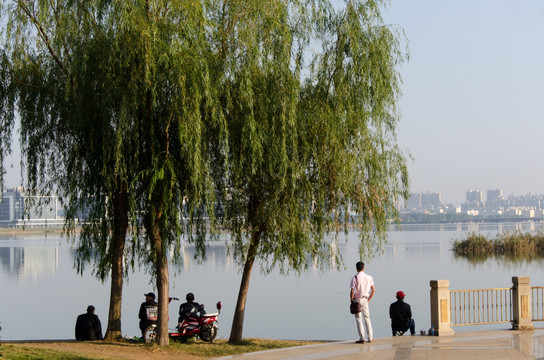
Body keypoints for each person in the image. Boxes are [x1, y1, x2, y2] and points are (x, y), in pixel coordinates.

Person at [350, 261, 375, 344]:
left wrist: (351, 299)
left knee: (358, 319)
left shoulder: (355, 278)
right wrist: (369, 300)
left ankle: (362, 338)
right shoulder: (369, 277)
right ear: (363, 268)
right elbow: (373, 290)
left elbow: (352, 290)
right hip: (365, 299)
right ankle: (370, 337)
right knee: (367, 318)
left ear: (356, 268)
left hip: (357, 299)